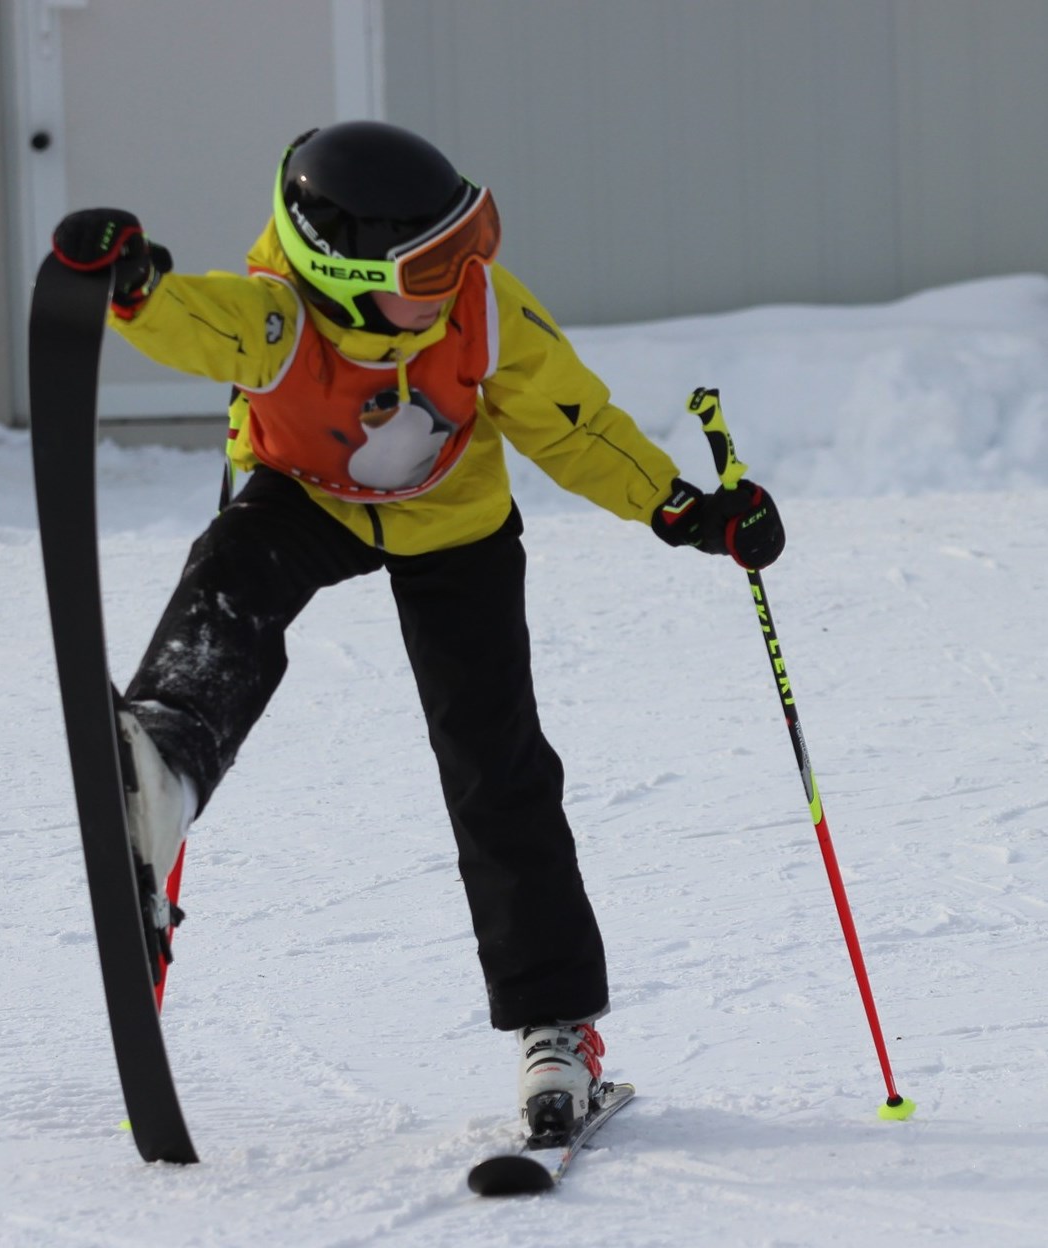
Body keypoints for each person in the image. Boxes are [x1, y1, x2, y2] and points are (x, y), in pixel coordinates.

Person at [51, 121, 784, 1142]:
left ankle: (553, 1027)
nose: (457, 274)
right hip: (305, 496)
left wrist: (681, 509)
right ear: (343, 274)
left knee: (495, 763)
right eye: (428, 263)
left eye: (467, 240)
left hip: (454, 527)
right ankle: (160, 767)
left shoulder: (481, 306)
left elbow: (570, 421)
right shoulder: (275, 322)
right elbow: (193, 320)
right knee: (229, 584)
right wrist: (131, 284)